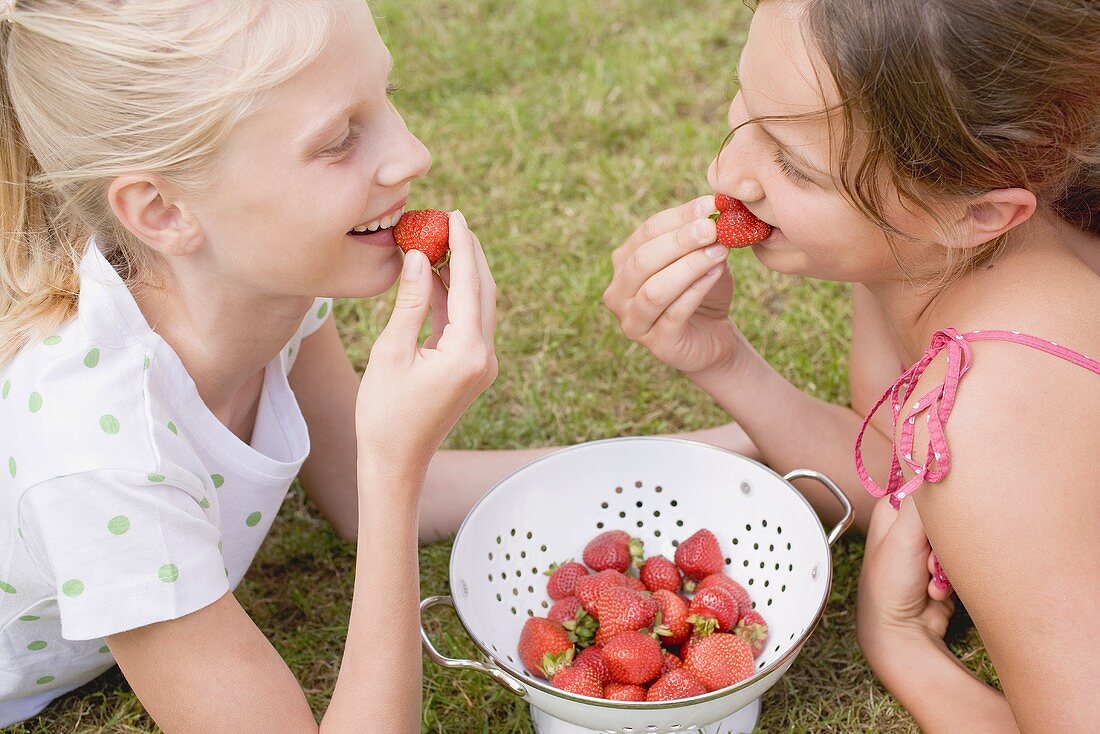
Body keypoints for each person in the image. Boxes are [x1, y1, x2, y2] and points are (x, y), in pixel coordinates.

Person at [0, 0, 511, 729]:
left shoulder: (261, 285)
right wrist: (393, 463)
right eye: (339, 140)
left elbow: (347, 494)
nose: (413, 155)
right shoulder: (101, 459)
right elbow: (381, 493)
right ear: (164, 212)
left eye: (387, 97)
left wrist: (729, 444)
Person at [602, 0, 1100, 730]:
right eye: (745, 106)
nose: (726, 172)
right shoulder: (921, 247)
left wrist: (899, 648)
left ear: (976, 213)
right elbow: (900, 476)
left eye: (795, 166)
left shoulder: (989, 418)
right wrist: (723, 362)